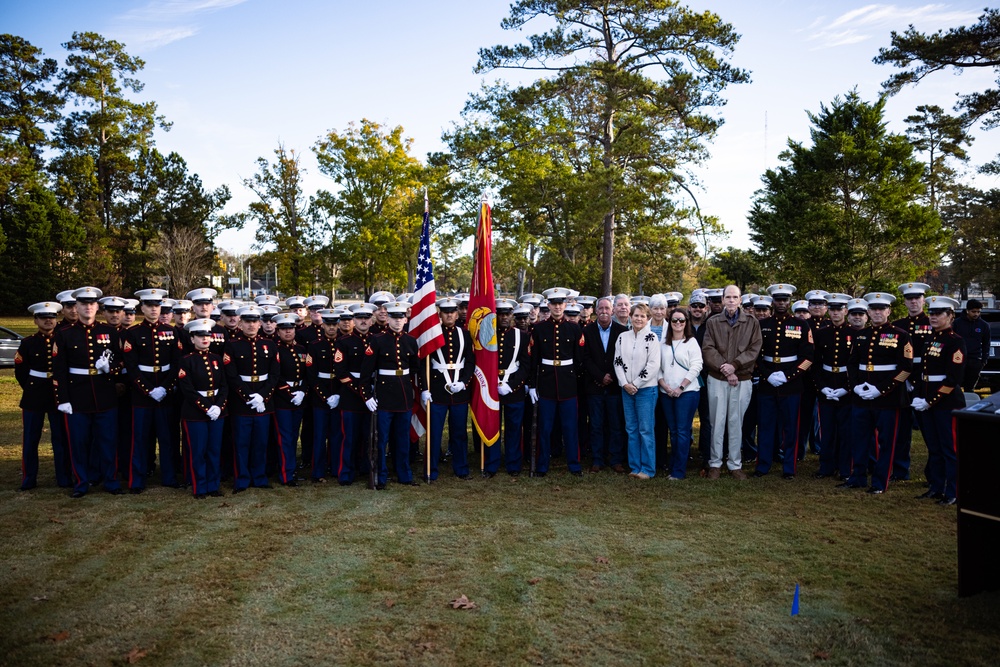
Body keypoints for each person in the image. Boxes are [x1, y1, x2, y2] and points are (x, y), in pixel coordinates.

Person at [52, 286, 125, 498]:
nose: (88, 307)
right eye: (84, 304)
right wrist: (62, 399)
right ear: (77, 306)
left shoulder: (110, 332)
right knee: (78, 443)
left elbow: (121, 361)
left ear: (97, 307)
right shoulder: (64, 334)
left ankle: (111, 481)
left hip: (104, 394)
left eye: (92, 304)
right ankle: (81, 482)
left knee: (108, 441)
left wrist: (109, 369)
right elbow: (59, 369)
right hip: (77, 396)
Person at [841, 292, 913, 495]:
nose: (877, 312)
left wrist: (880, 390)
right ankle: (858, 477)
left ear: (889, 311)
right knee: (859, 439)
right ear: (868, 312)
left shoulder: (901, 335)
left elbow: (905, 368)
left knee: (886, 442)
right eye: (873, 309)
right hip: (862, 396)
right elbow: (852, 363)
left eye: (881, 309)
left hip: (888, 398)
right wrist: (854, 386)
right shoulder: (861, 335)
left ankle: (880, 482)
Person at [122, 288, 182, 492]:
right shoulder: (133, 333)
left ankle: (169, 476)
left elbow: (176, 363)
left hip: (165, 393)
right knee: (140, 439)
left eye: (157, 306)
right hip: (142, 395)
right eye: (150, 306)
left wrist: (165, 387)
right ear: (142, 308)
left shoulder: (171, 331)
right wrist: (148, 390)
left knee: (168, 438)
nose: (154, 310)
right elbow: (131, 367)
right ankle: (137, 480)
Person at [754, 284, 815, 480]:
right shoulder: (762, 324)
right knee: (765, 426)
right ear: (772, 301)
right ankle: (762, 465)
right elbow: (755, 355)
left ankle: (789, 467)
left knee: (791, 428)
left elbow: (807, 357)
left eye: (785, 300)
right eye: (778, 299)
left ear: (790, 301)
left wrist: (788, 376)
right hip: (767, 382)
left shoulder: (801, 325)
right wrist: (766, 375)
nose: (781, 303)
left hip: (792, 385)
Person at [702, 285, 762, 480]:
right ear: (723, 298)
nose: (730, 300)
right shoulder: (713, 322)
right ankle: (715, 464)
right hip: (718, 378)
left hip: (742, 379)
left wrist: (734, 366)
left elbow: (754, 349)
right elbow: (708, 348)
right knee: (716, 422)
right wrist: (724, 368)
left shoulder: (751, 322)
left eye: (734, 297)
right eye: (727, 297)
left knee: (736, 423)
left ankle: (735, 465)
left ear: (740, 300)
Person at [911, 296, 966, 506]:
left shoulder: (955, 341)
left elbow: (953, 379)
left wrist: (930, 401)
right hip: (927, 402)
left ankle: (953, 491)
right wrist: (918, 395)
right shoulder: (930, 338)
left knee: (949, 449)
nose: (933, 317)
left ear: (950, 316)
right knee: (933, 448)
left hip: (946, 403)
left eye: (938, 314)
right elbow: (923, 373)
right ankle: (935, 487)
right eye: (932, 313)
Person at [363, 301, 424, 489]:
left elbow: (416, 368)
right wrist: (367, 396)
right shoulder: (377, 340)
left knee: (402, 438)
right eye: (394, 318)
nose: (398, 322)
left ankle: (404, 474)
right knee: (381, 439)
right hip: (384, 396)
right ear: (387, 318)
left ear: (406, 319)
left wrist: (425, 388)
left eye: (401, 318)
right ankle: (381, 476)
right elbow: (366, 372)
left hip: (404, 394)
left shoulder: (410, 341)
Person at [15, 301, 72, 490]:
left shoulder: (63, 339)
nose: (48, 320)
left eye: (52, 317)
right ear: (35, 320)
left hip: (57, 395)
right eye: (43, 317)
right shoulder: (28, 342)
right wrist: (31, 388)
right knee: (31, 439)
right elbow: (21, 371)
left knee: (60, 438)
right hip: (34, 395)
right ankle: (29, 478)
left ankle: (63, 477)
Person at [224, 304, 279, 492]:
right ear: (240, 323)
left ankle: (260, 477)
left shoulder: (270, 345)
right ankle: (241, 479)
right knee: (241, 443)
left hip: (263, 401)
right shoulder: (231, 345)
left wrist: (262, 396)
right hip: (241, 402)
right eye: (247, 321)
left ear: (260, 323)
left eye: (255, 321)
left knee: (261, 442)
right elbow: (231, 375)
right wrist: (248, 396)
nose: (251, 325)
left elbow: (274, 374)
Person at [425, 297, 476, 480]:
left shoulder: (464, 334)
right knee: (434, 433)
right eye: (445, 312)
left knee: (460, 433)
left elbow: (470, 361)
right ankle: (431, 469)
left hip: (459, 391)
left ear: (457, 314)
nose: (449, 315)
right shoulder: (432, 334)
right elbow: (424, 363)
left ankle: (461, 468)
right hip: (437, 390)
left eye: (452, 312)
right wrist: (425, 388)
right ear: (440, 314)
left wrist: (463, 382)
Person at [177, 318, 228, 499]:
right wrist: (206, 407)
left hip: (216, 412)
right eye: (200, 336)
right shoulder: (186, 361)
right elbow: (188, 390)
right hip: (195, 413)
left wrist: (219, 406)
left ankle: (213, 485)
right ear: (192, 339)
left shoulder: (216, 359)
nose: (205, 338)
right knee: (198, 451)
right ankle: (199, 487)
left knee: (214, 450)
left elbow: (224, 385)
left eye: (207, 335)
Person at [581, 297, 628, 473]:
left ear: (613, 311)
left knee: (616, 425)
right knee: (596, 425)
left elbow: (624, 358)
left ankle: (616, 459)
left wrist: (612, 377)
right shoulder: (587, 331)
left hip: (615, 386)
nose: (604, 311)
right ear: (595, 310)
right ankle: (597, 459)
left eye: (607, 308)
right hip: (594, 387)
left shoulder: (623, 331)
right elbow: (585, 358)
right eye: (600, 308)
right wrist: (600, 377)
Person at [811, 293, 855, 480]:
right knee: (827, 430)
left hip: (846, 387)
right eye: (832, 309)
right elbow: (816, 364)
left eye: (839, 309)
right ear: (828, 311)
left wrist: (847, 387)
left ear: (845, 311)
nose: (836, 313)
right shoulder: (821, 333)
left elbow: (857, 366)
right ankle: (826, 467)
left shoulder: (855, 334)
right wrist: (822, 387)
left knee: (846, 432)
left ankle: (845, 469)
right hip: (827, 385)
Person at [891, 282, 932, 481]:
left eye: (917, 298)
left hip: (927, 383)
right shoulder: (897, 326)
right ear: (905, 301)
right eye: (909, 299)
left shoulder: (934, 322)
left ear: (924, 299)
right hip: (902, 384)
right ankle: (900, 470)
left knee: (931, 432)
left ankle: (934, 474)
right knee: (901, 430)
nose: (913, 302)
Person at [615, 302, 661, 479]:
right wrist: (624, 383)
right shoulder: (622, 337)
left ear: (647, 318)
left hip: (646, 390)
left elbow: (653, 365)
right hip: (626, 389)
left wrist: (636, 383)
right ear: (630, 317)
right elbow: (617, 361)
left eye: (642, 316)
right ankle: (634, 467)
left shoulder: (652, 338)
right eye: (636, 315)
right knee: (631, 429)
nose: (639, 319)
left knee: (645, 430)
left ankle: (648, 469)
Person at [657, 307, 703, 480]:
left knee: (683, 431)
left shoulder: (691, 342)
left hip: (687, 392)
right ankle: (674, 464)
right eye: (674, 320)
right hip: (666, 393)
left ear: (686, 323)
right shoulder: (662, 344)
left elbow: (696, 366)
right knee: (673, 431)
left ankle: (678, 470)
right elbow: (658, 368)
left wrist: (681, 387)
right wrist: (666, 386)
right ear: (670, 323)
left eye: (681, 320)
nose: (678, 323)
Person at [494, 299, 531, 475]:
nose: (504, 317)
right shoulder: (488, 335)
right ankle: (491, 463)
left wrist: (511, 386)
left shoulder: (522, 336)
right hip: (491, 388)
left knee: (514, 428)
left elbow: (525, 365)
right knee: (492, 427)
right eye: (500, 314)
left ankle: (513, 464)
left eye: (507, 314)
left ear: (512, 316)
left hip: (513, 389)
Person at [271, 313, 307, 486]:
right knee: (284, 437)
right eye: (284, 329)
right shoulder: (274, 350)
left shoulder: (301, 349)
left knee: (293, 436)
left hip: (299, 398)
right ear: (278, 331)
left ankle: (291, 469)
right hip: (282, 400)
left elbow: (308, 372)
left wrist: (302, 391)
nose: (288, 332)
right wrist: (289, 393)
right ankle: (286, 474)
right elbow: (274, 376)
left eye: (290, 328)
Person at [953, 298, 991, 391]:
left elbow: (986, 344)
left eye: (978, 312)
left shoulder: (984, 325)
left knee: (970, 388)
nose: (976, 314)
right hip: (958, 359)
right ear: (967, 311)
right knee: (955, 386)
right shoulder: (957, 323)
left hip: (975, 360)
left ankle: (969, 404)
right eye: (973, 311)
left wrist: (984, 360)